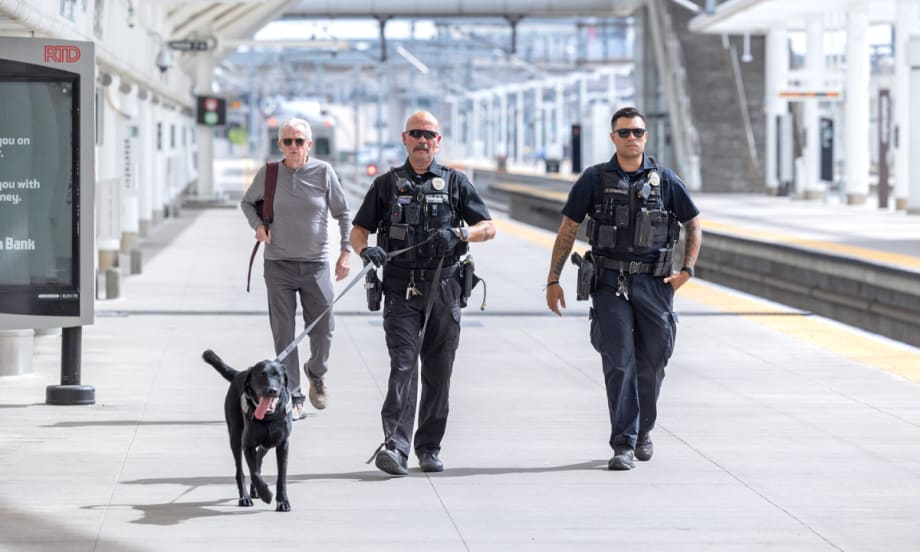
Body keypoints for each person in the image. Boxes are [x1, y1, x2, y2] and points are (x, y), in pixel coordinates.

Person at [545, 106, 702, 471]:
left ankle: (644, 428)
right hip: (609, 282)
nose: (632, 138)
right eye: (625, 132)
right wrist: (553, 279)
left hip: (655, 283)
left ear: (645, 137)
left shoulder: (665, 180)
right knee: (619, 361)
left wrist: (687, 271)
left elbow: (694, 224)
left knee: (654, 360)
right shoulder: (594, 180)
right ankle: (624, 443)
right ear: (613, 137)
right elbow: (568, 228)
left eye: (637, 132)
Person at [350, 111, 496, 476]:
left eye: (428, 134)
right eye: (416, 134)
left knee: (438, 371)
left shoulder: (455, 183)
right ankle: (395, 448)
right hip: (400, 289)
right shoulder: (386, 185)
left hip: (444, 288)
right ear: (404, 138)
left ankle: (428, 448)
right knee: (402, 366)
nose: (422, 140)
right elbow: (358, 231)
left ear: (438, 141)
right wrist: (365, 251)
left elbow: (488, 228)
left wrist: (461, 235)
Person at [240, 118, 352, 420]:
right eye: (287, 141)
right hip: (278, 266)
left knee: (324, 328)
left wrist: (346, 251)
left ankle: (316, 372)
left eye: (298, 141)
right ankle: (295, 396)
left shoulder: (323, 172)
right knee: (284, 335)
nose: (293, 146)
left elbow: (343, 212)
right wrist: (259, 225)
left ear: (309, 145)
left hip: (316, 265)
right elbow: (247, 203)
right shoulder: (269, 173)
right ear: (280, 145)